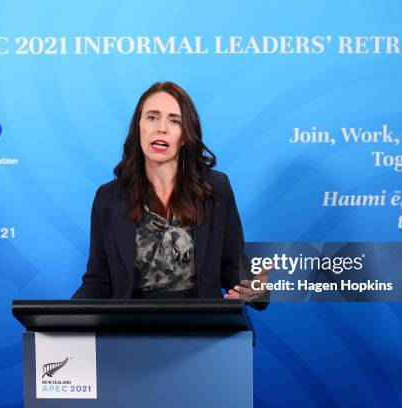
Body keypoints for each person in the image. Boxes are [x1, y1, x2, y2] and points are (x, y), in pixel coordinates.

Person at [72, 82, 268, 309]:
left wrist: (256, 289)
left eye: (174, 120)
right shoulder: (108, 197)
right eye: (152, 117)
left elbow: (232, 267)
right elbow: (99, 281)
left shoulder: (215, 187)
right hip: (131, 330)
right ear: (138, 127)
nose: (161, 128)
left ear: (185, 136)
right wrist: (62, 322)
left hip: (204, 328)